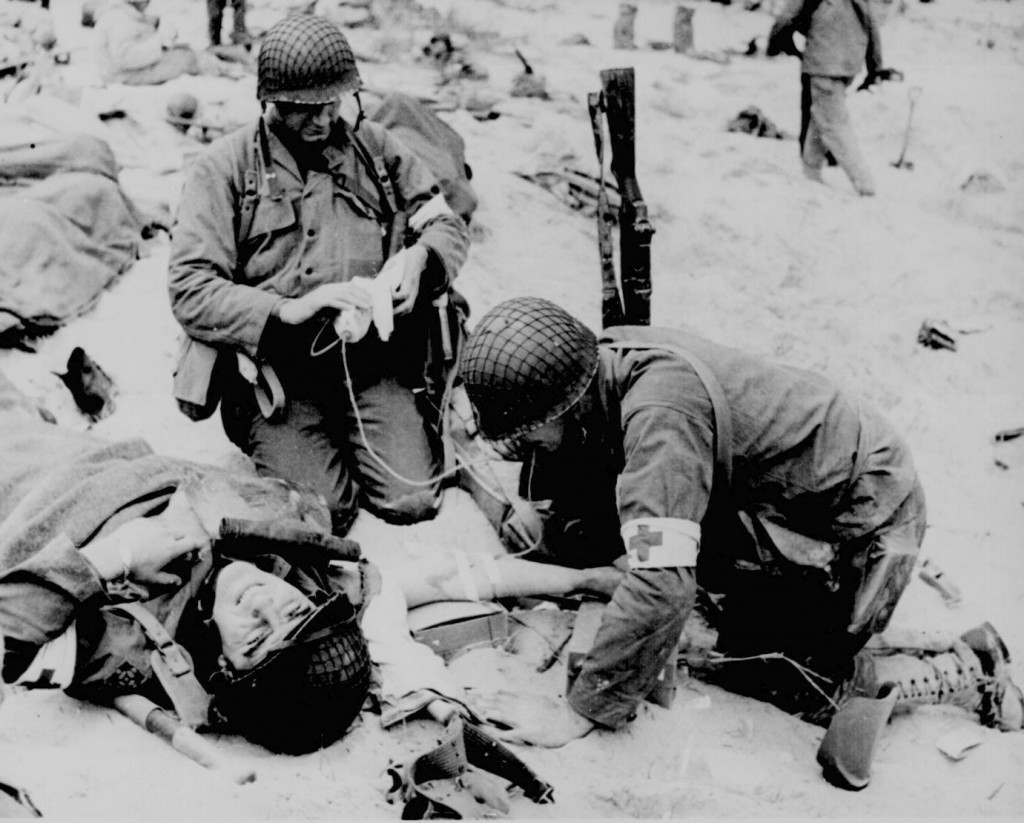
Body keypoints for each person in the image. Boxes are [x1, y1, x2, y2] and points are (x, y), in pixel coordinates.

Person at [456, 296, 1023, 747]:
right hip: (795, 494)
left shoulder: (661, 420)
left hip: (863, 523)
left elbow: (660, 582)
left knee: (784, 677)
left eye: (529, 431)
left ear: (566, 406)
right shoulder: (602, 362)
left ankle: (967, 667)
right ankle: (898, 636)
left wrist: (580, 711)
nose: (526, 446)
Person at [0, 370, 622, 754]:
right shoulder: (309, 586)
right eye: (291, 611)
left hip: (28, 488)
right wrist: (580, 580)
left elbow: (9, 640)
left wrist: (123, 552)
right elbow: (448, 577)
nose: (269, 602)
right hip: (99, 458)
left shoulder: (132, 646)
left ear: (222, 665)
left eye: (258, 638)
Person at [168, 13, 470, 536]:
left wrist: (421, 260)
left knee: (413, 501)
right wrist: (286, 309)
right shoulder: (225, 169)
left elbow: (443, 220)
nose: (323, 120)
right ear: (270, 103)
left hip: (370, 364)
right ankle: (284, 444)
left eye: (334, 103)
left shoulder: (375, 151)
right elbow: (191, 287)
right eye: (304, 109)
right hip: (276, 380)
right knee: (326, 512)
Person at [767, 0, 898, 196]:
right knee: (820, 116)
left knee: (834, 123)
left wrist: (776, 46)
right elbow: (872, 26)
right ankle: (810, 172)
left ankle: (864, 183)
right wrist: (875, 67)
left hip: (823, 63)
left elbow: (786, 18)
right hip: (849, 65)